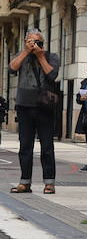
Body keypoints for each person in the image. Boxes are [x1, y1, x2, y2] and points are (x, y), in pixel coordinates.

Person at [9, 29, 60, 195]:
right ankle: (25, 182)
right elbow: (11, 69)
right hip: (24, 106)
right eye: (31, 41)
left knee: (47, 147)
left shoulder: (52, 57)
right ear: (25, 43)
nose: (34, 45)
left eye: (38, 42)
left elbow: (52, 75)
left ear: (43, 44)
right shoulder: (21, 55)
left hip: (44, 107)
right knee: (25, 147)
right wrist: (25, 51)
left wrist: (40, 56)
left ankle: (49, 183)